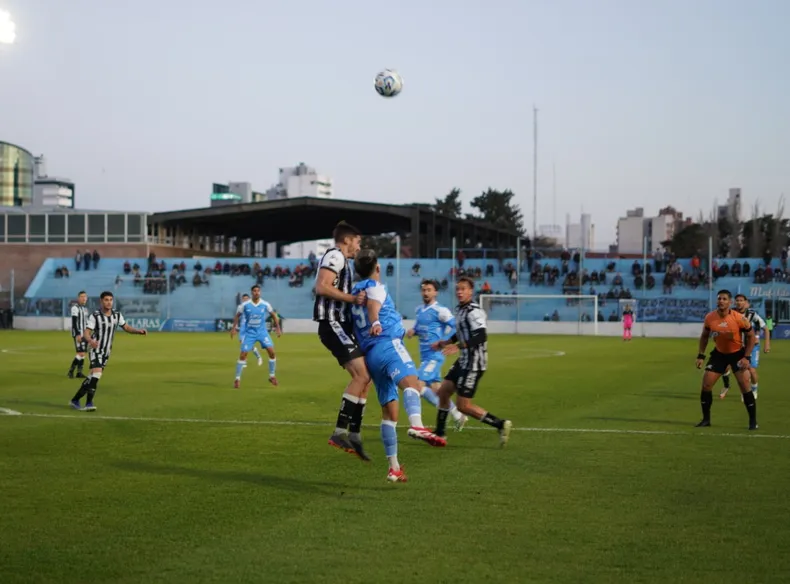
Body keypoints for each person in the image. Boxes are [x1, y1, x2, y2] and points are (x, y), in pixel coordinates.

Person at [351, 250, 446, 483]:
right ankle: (417, 425)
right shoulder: (374, 287)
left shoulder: (353, 294)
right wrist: (376, 321)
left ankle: (394, 467)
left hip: (371, 355)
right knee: (413, 383)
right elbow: (373, 306)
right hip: (388, 344)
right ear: (378, 267)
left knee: (389, 413)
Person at [313, 221, 371, 460]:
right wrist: (352, 298)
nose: (359, 247)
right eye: (358, 241)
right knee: (361, 375)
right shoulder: (335, 256)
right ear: (347, 240)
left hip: (341, 325)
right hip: (332, 323)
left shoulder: (343, 261)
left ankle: (354, 432)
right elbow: (321, 287)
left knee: (366, 376)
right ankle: (339, 432)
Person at [432, 277, 512, 445]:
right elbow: (461, 331)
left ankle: (500, 424)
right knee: (443, 391)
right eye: (458, 289)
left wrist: (459, 346)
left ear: (470, 291)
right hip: (463, 360)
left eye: (463, 289)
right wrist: (446, 342)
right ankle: (440, 432)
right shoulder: (461, 309)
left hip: (474, 363)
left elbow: (481, 335)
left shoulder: (475, 311)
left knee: (463, 406)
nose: (459, 292)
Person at [69, 291, 147, 411]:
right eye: (106, 300)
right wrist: (90, 341)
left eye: (111, 300)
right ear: (101, 301)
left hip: (106, 351)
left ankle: (75, 400)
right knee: (97, 374)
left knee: (91, 377)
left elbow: (126, 327)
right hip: (95, 349)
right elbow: (87, 332)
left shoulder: (117, 315)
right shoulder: (95, 316)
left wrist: (138, 331)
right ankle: (89, 403)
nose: (109, 302)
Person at [406, 279, 467, 431]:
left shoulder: (441, 310)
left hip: (434, 356)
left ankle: (418, 425)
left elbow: (456, 327)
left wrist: (444, 342)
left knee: (417, 385)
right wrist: (414, 331)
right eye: (424, 290)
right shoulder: (419, 310)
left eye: (429, 290)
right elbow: (420, 328)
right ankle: (458, 415)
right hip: (425, 357)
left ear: (435, 293)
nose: (425, 293)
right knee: (437, 390)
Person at [695, 289, 757, 430]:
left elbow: (751, 337)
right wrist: (701, 355)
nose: (721, 301)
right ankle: (706, 420)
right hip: (719, 354)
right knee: (706, 385)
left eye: (724, 299)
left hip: (737, 354)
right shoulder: (710, 317)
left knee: (745, 386)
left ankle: (753, 421)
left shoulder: (739, 318)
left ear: (730, 302)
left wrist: (747, 357)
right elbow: (704, 336)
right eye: (719, 298)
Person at [720, 295, 770, 400]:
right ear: (734, 302)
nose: (739, 302)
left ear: (745, 302)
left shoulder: (752, 314)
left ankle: (753, 390)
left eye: (741, 300)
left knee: (750, 370)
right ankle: (729, 387)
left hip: (751, 346)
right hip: (736, 345)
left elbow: (765, 328)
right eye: (737, 300)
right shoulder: (730, 313)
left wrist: (767, 344)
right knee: (726, 367)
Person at [231, 285, 281, 388]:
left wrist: (278, 327)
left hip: (262, 333)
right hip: (250, 333)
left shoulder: (265, 304)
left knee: (272, 352)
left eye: (258, 291)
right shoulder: (245, 305)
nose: (256, 292)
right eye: (254, 291)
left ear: (260, 292)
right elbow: (237, 316)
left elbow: (273, 315)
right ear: (251, 292)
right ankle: (237, 379)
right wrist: (233, 328)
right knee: (243, 355)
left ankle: (272, 376)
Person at [231, 293, 263, 367]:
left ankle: (244, 361)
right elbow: (237, 317)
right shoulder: (240, 307)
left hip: (249, 327)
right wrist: (234, 328)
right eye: (244, 299)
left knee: (245, 344)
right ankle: (258, 356)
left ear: (249, 299)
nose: (245, 300)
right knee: (245, 344)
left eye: (246, 298)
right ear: (242, 299)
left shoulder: (252, 306)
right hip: (242, 328)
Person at [67, 290, 90, 378]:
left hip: (85, 334)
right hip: (79, 334)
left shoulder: (85, 309)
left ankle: (79, 373)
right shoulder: (75, 308)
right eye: (82, 297)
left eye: (85, 297)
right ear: (78, 298)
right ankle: (71, 371)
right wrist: (77, 334)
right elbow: (74, 322)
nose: (84, 298)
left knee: (83, 353)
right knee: (81, 353)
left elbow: (86, 322)